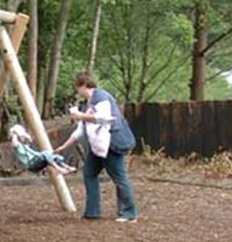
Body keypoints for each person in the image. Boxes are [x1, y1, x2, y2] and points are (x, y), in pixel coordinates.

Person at [55, 72, 139, 222]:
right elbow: (80, 130)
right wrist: (64, 146)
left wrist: (80, 116)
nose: (77, 91)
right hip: (98, 146)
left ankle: (129, 213)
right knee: (89, 173)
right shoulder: (87, 103)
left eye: (78, 88)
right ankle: (92, 212)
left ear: (84, 85)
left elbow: (104, 117)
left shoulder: (101, 96)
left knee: (119, 178)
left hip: (111, 143)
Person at [9, 124, 76, 175]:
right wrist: (14, 133)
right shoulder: (17, 146)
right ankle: (59, 169)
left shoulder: (24, 145)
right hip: (32, 164)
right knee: (46, 154)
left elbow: (29, 140)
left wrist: (26, 137)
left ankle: (67, 167)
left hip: (36, 160)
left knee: (54, 156)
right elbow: (14, 143)